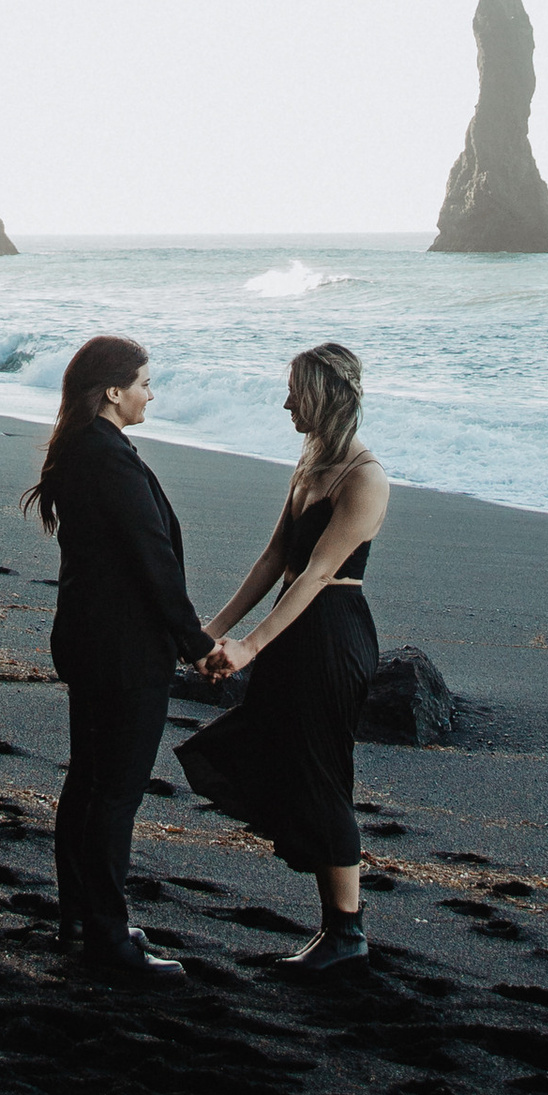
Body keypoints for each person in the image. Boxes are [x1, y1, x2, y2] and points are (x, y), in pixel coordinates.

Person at [176, 340, 389, 969]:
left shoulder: (364, 477)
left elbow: (316, 574)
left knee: (323, 773)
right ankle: (337, 930)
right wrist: (210, 631)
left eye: (295, 390)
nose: (287, 401)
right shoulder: (311, 464)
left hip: (332, 634)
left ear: (323, 394)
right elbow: (275, 560)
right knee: (286, 761)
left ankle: (345, 933)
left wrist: (247, 646)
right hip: (295, 633)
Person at [23, 333, 211, 979]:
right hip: (123, 649)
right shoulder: (107, 456)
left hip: (89, 639)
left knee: (89, 783)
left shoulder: (81, 448)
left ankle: (82, 918)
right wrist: (197, 643)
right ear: (113, 391)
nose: (150, 394)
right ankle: (108, 940)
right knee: (113, 794)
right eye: (144, 383)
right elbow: (150, 558)